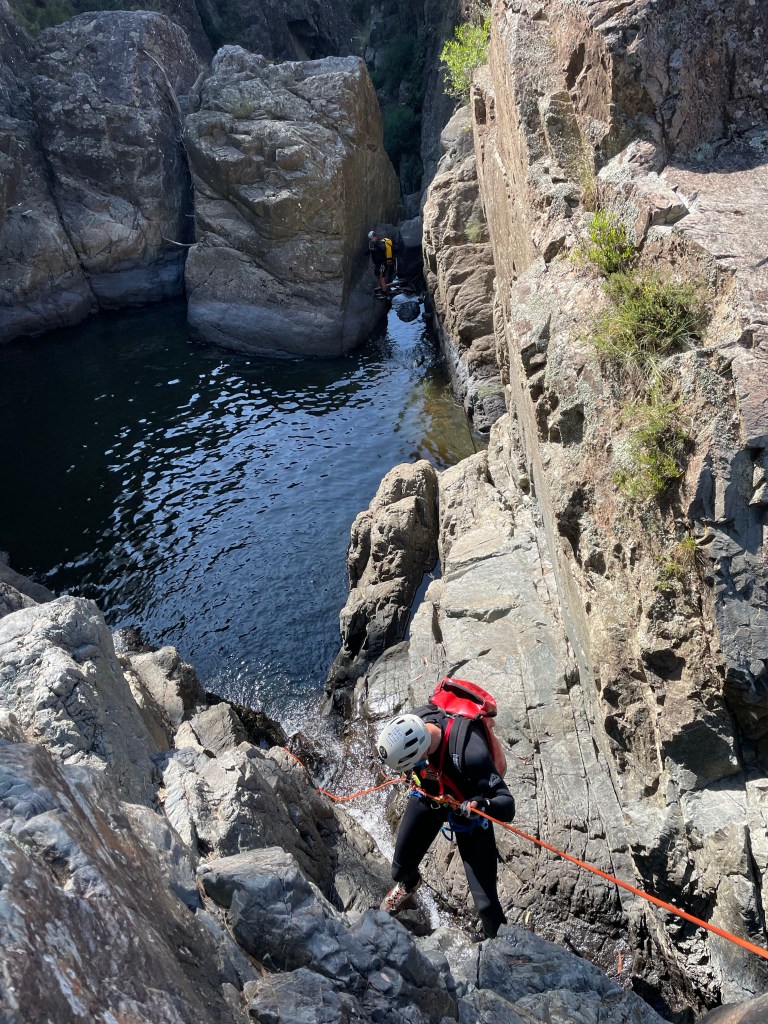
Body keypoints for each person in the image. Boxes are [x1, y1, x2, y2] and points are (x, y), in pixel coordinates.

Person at [376, 707, 515, 939]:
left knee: (486, 905)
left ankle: (500, 945)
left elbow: (507, 805)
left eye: (412, 765)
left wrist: (482, 805)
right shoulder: (416, 721)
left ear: (422, 753)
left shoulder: (471, 753)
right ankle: (410, 884)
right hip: (430, 799)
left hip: (469, 816)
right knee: (400, 870)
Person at [367, 229, 394, 296]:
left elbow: (383, 249)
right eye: (370, 239)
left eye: (372, 238)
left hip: (382, 264)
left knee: (381, 277)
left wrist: (375, 243)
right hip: (377, 264)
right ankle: (382, 290)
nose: (371, 240)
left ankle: (385, 294)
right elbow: (369, 251)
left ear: (375, 237)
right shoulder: (372, 244)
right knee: (378, 276)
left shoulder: (379, 243)